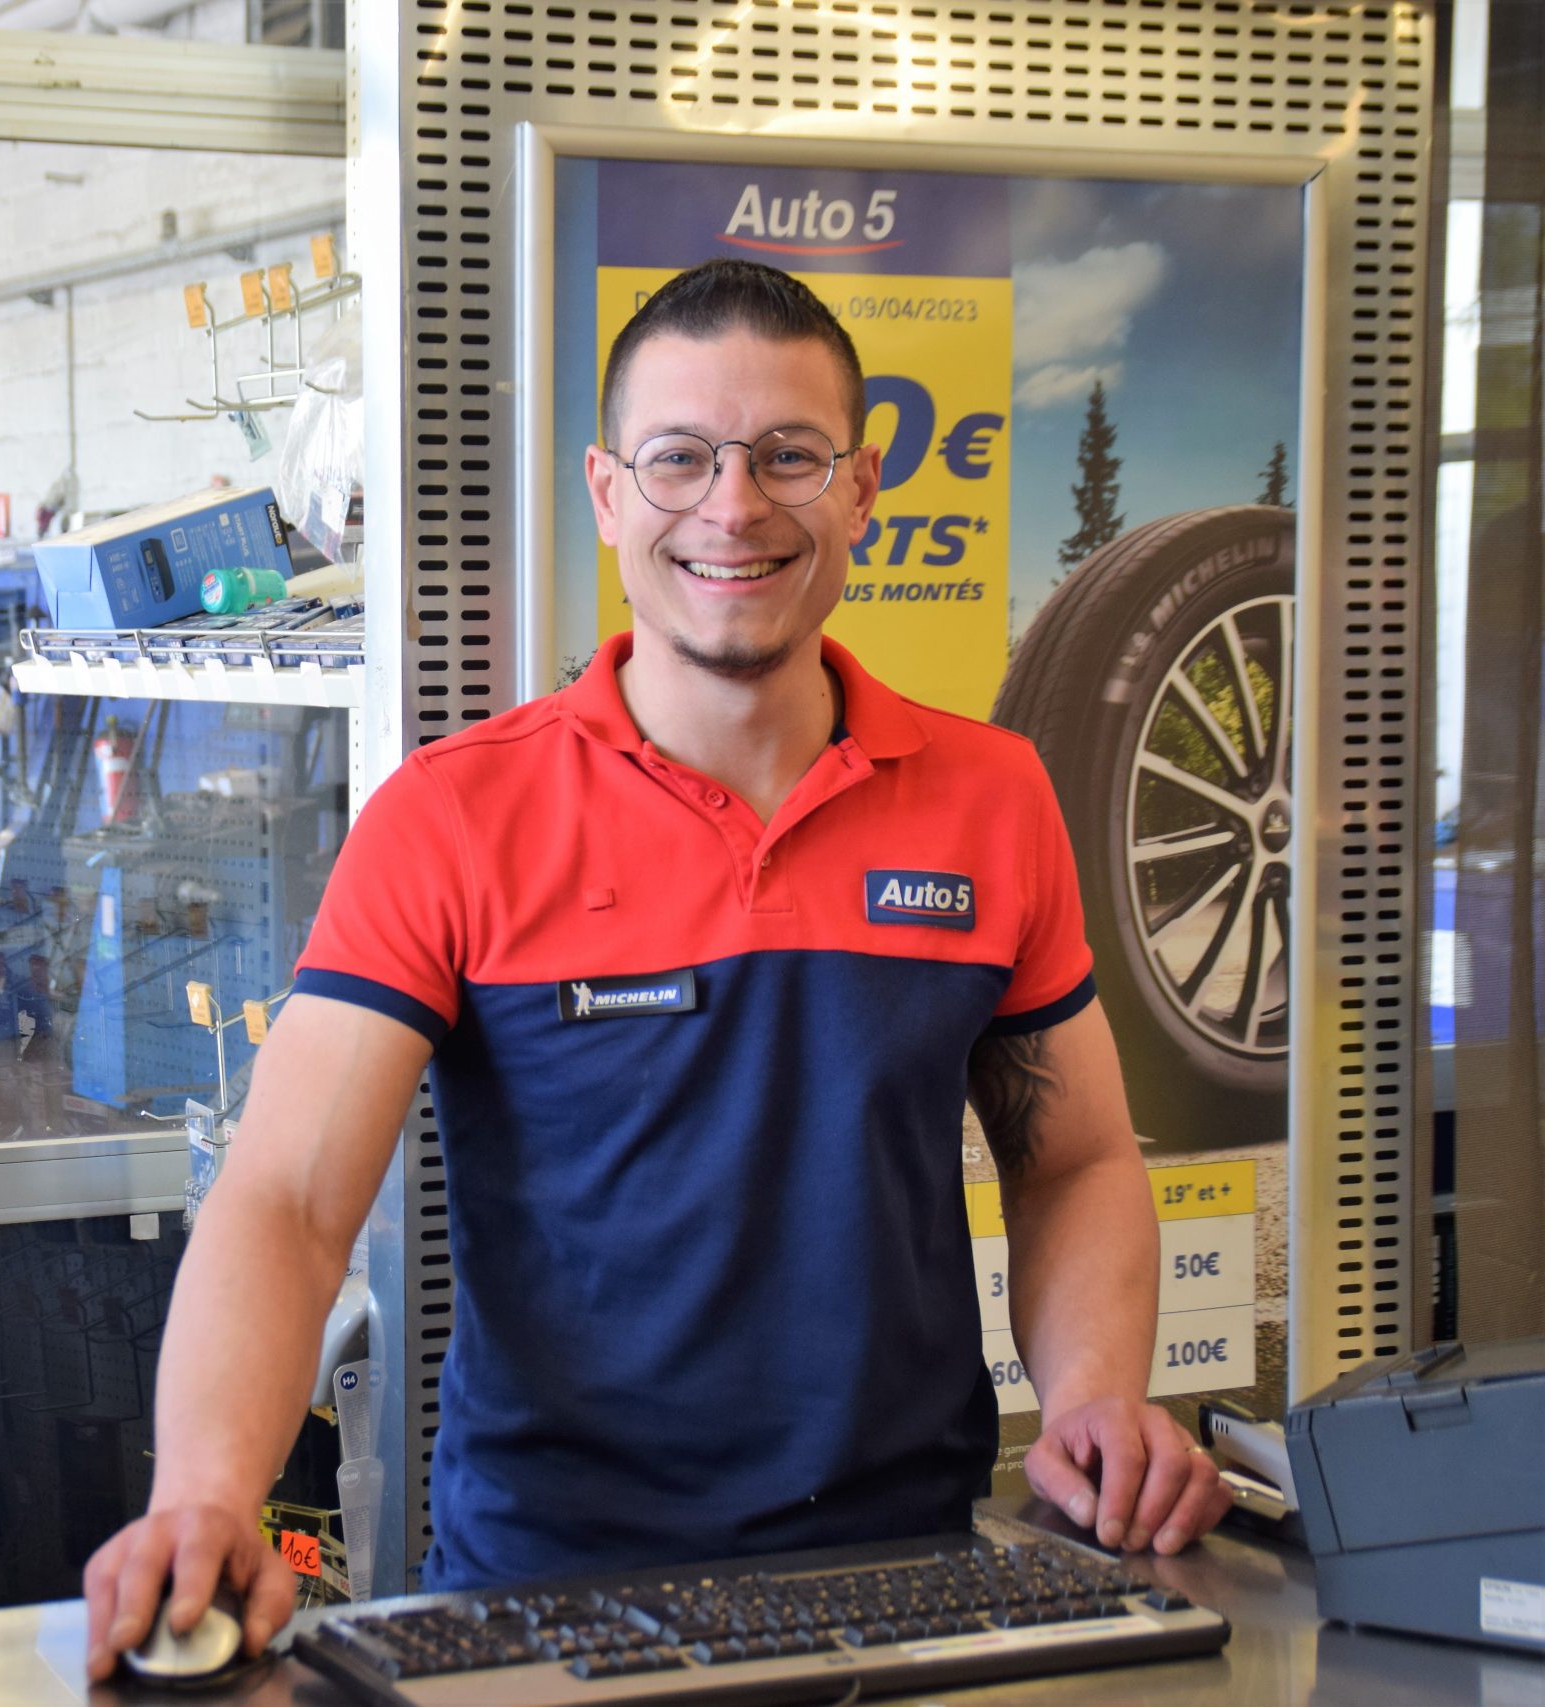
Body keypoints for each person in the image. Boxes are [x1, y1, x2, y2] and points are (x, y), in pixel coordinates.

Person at [83, 259, 1232, 1678]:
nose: (734, 507)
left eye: (789, 455)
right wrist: (205, 1496)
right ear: (608, 492)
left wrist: (1095, 1396)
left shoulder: (991, 800)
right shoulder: (454, 819)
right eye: (679, 457)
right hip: (546, 1607)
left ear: (864, 489)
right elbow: (290, 1200)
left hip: (907, 1582)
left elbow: (1076, 1160)